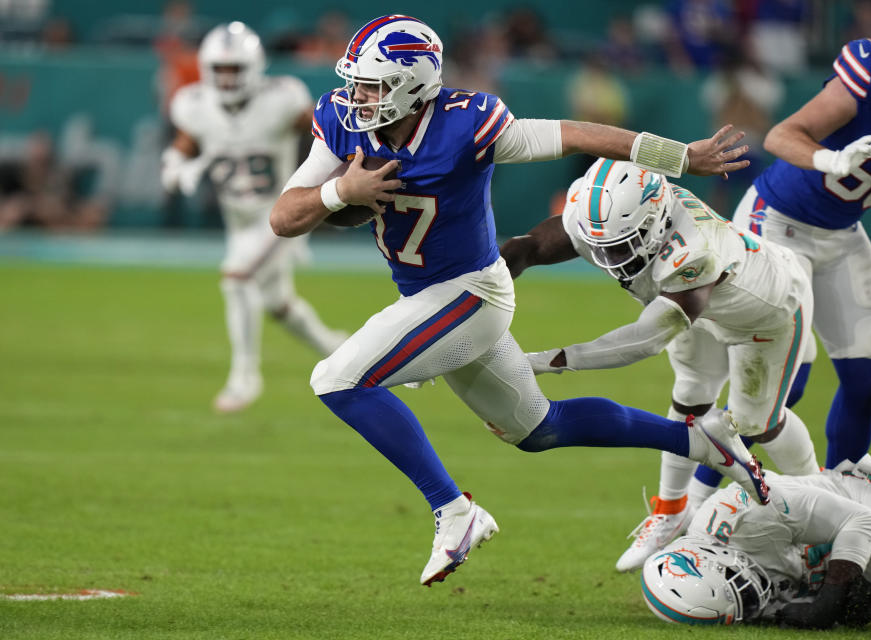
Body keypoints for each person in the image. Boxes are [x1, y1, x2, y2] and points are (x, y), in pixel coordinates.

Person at [269, 14, 765, 587]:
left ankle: (454, 511)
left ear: (412, 85)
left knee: (337, 379)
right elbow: (284, 217)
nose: (359, 96)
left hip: (470, 293)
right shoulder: (343, 121)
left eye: (374, 84)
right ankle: (702, 441)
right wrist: (340, 191)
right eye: (357, 82)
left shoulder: (466, 125)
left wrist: (679, 157)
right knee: (540, 429)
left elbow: (576, 134)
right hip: (429, 296)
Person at [500, 159, 819, 574]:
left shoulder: (693, 250)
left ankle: (821, 498)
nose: (607, 255)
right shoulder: (600, 218)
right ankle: (670, 511)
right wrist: (474, 294)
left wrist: (543, 362)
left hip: (766, 311)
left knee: (757, 424)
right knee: (690, 395)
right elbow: (528, 248)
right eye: (601, 244)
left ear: (656, 221)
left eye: (620, 243)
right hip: (697, 305)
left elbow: (644, 340)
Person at [730, 1, 871, 470]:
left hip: (840, 233)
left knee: (866, 378)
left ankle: (841, 501)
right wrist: (828, 159)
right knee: (785, 382)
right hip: (776, 221)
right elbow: (781, 135)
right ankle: (698, 501)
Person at [161, 22, 347, 413]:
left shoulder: (281, 98)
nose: (227, 78)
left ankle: (245, 376)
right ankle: (338, 348)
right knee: (278, 304)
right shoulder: (195, 105)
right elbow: (183, 146)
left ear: (255, 66)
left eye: (235, 69)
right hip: (240, 219)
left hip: (279, 210)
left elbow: (326, 136)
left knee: (237, 277)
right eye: (221, 69)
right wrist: (176, 167)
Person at [641, 456, 871, 629]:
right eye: (746, 601)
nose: (756, 596)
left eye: (738, 583)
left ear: (713, 556)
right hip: (857, 561)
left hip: (864, 502)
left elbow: (860, 521)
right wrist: (846, 606)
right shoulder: (737, 598)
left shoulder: (749, 512)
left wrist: (833, 593)